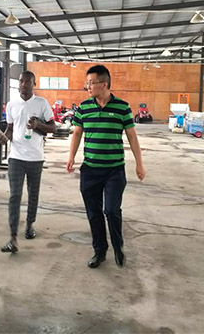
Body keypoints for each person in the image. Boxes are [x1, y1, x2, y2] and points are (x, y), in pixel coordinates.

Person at [67, 65, 146, 269]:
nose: (88, 87)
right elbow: (77, 133)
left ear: (104, 84)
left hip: (114, 170)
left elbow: (131, 136)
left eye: (91, 83)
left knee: (111, 210)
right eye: (87, 83)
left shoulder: (122, 107)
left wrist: (139, 163)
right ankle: (99, 251)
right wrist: (71, 157)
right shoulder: (84, 108)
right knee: (93, 213)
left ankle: (118, 247)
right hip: (90, 169)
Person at [0, 71, 56, 254]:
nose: (23, 84)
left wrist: (38, 125)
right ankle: (13, 238)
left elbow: (53, 127)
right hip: (16, 156)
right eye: (21, 81)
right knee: (14, 195)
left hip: (35, 158)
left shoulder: (41, 103)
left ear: (34, 84)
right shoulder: (12, 104)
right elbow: (10, 129)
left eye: (27, 82)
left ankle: (30, 225)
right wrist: (4, 138)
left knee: (33, 194)